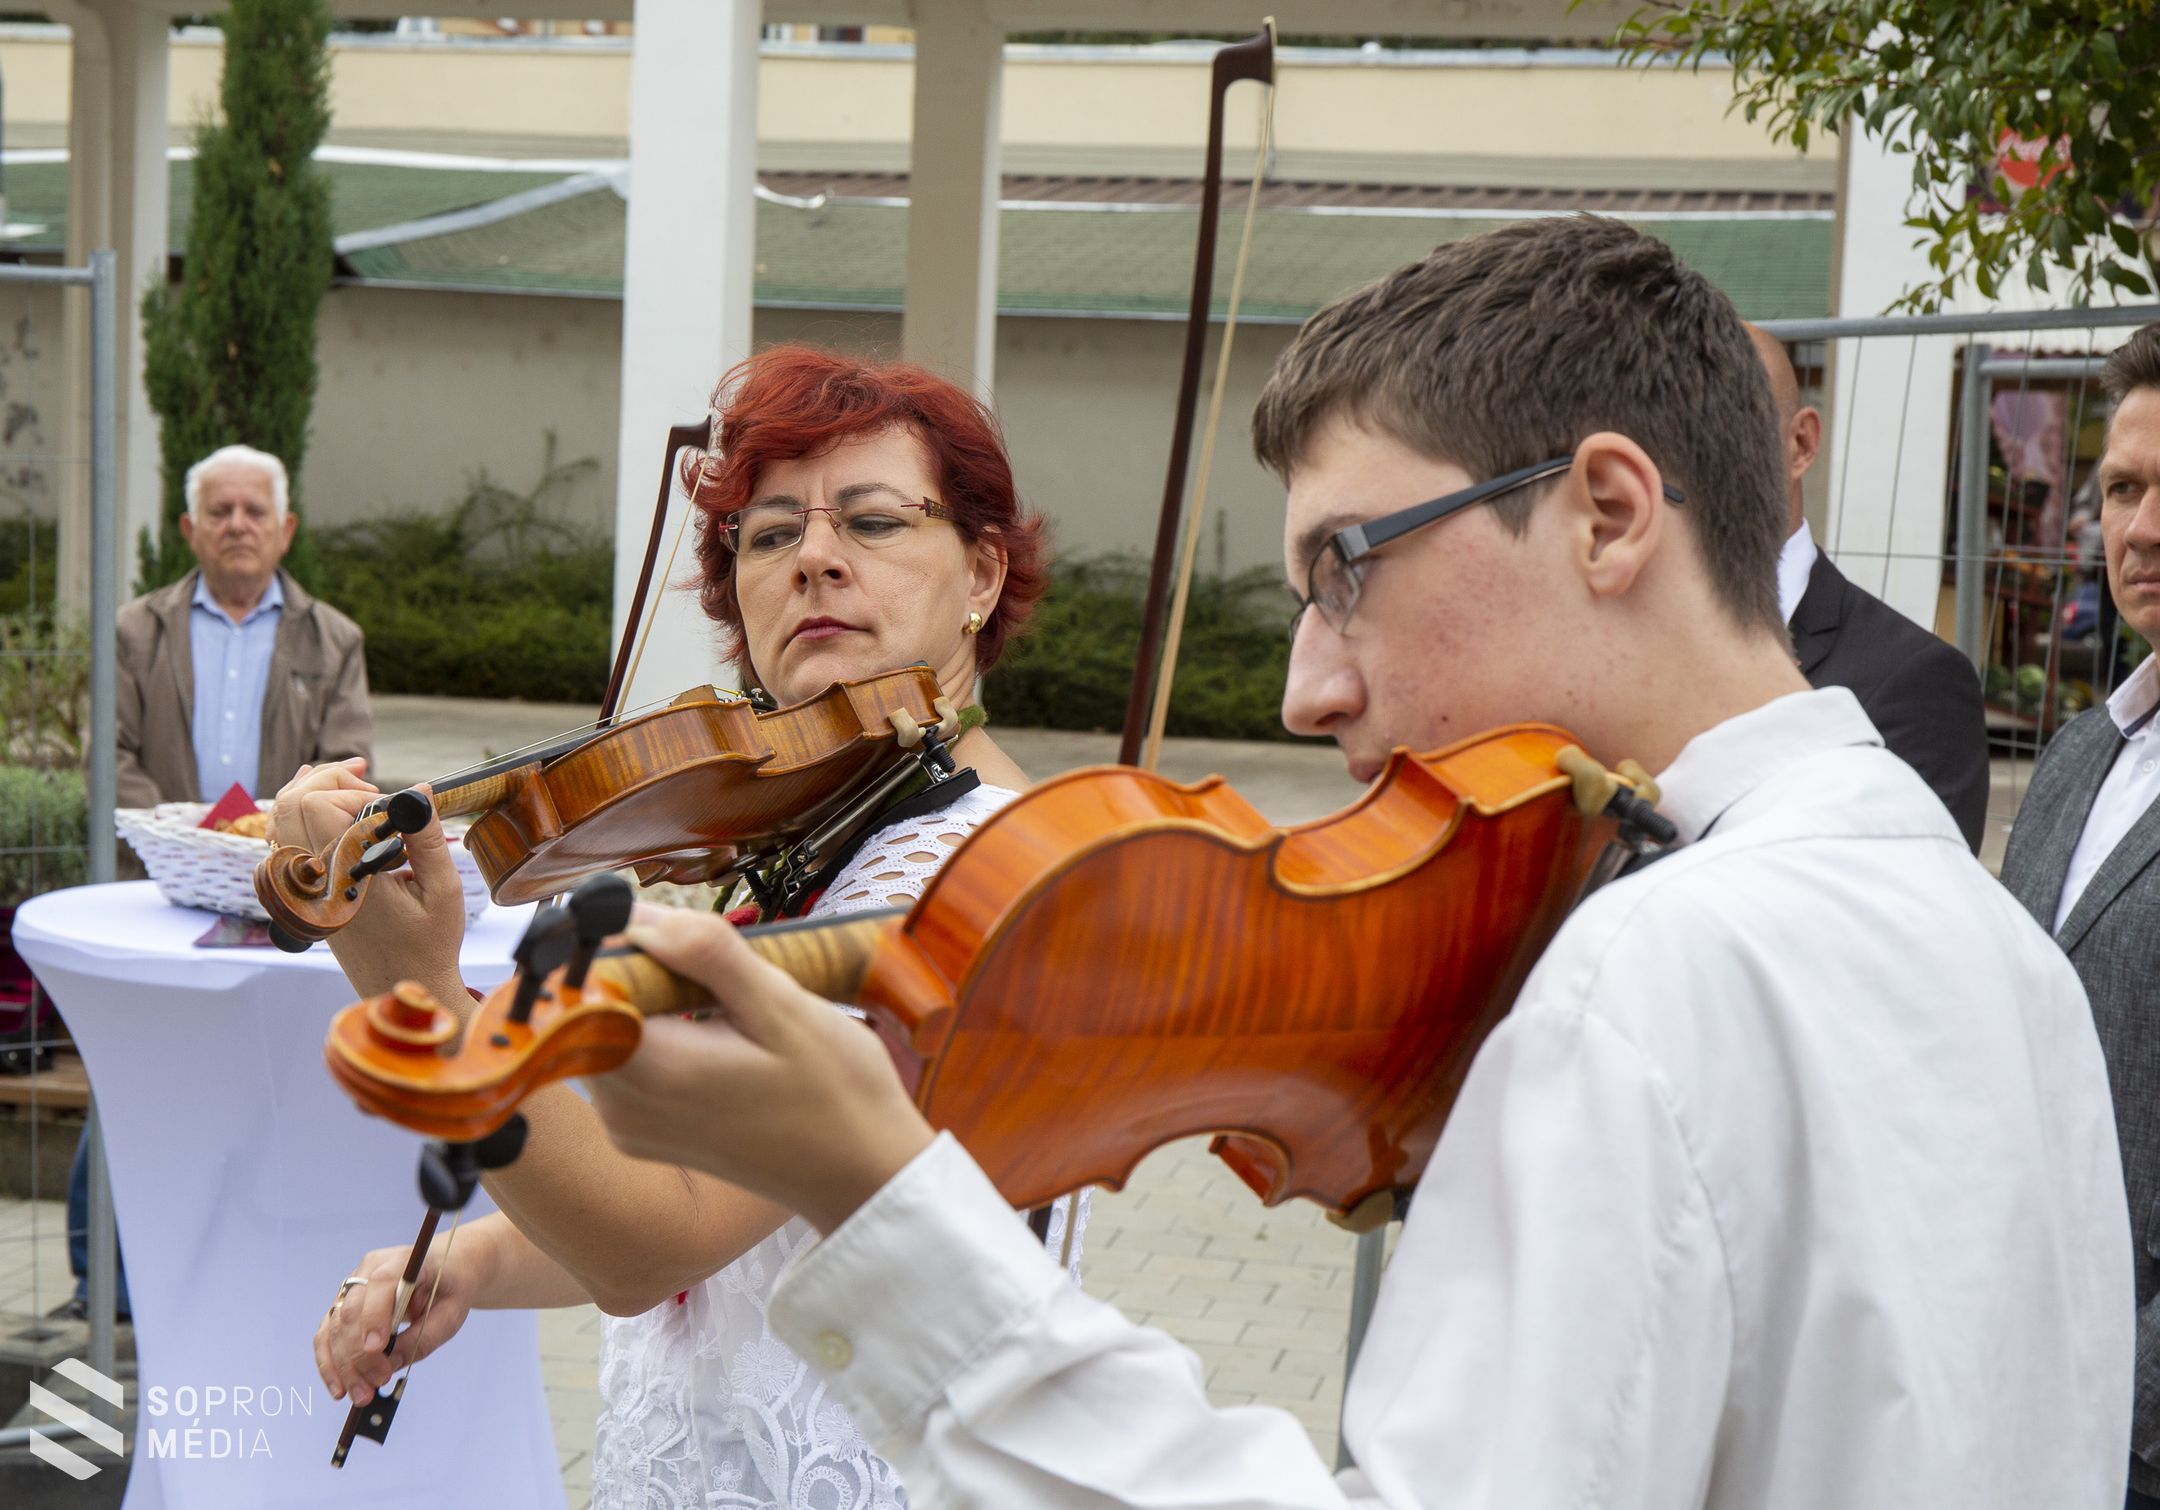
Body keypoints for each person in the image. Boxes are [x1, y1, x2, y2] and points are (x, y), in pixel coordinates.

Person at [575, 218, 2131, 1508]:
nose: (1307, 689)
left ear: (1606, 513)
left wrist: (880, 1194)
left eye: (1349, 569)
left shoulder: (1645, 984)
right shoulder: (1987, 943)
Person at [297, 346, 1078, 1509]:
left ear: (979, 573)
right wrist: (474, 1261)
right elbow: (710, 1228)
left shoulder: (963, 880)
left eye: (870, 521)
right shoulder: (821, 843)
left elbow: (656, 1239)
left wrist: (423, 1006)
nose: (814, 557)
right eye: (768, 536)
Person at [1998, 319, 2160, 1509]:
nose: (2142, 531)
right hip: (2019, 1398)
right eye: (2122, 489)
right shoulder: (2075, 757)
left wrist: (2122, 1402)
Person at [1745, 325, 1991, 850]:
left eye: (1723, 424)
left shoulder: (1916, 683)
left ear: (1801, 444)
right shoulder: (1622, 650)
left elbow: (1912, 917)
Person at [115, 443, 373, 807]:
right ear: (190, 530)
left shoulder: (335, 641)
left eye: (255, 511)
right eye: (220, 512)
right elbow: (110, 756)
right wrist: (170, 833)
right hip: (162, 858)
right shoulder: (134, 630)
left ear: (285, 531)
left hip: (288, 859)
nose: (237, 525)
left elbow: (346, 767)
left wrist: (277, 833)